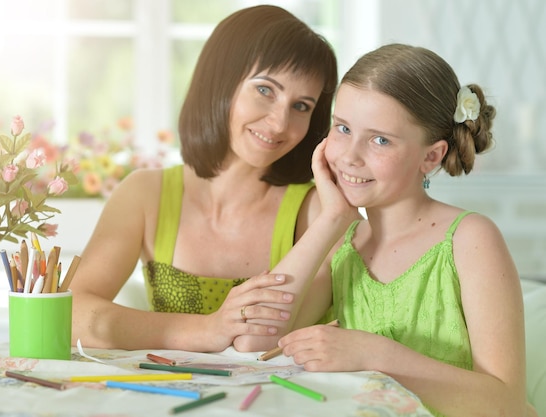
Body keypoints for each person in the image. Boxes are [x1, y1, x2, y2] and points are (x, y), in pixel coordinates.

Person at [243, 43, 535, 416]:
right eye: (343, 128)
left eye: (380, 139)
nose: (349, 155)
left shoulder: (470, 239)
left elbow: (505, 403)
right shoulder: (344, 242)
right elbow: (256, 340)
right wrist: (332, 217)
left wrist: (374, 353)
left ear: (430, 156)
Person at [69, 5, 359, 353]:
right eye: (265, 90)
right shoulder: (145, 194)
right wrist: (206, 329)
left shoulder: (320, 212)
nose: (280, 123)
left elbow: (258, 343)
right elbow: (70, 314)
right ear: (221, 81)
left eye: (301, 106)